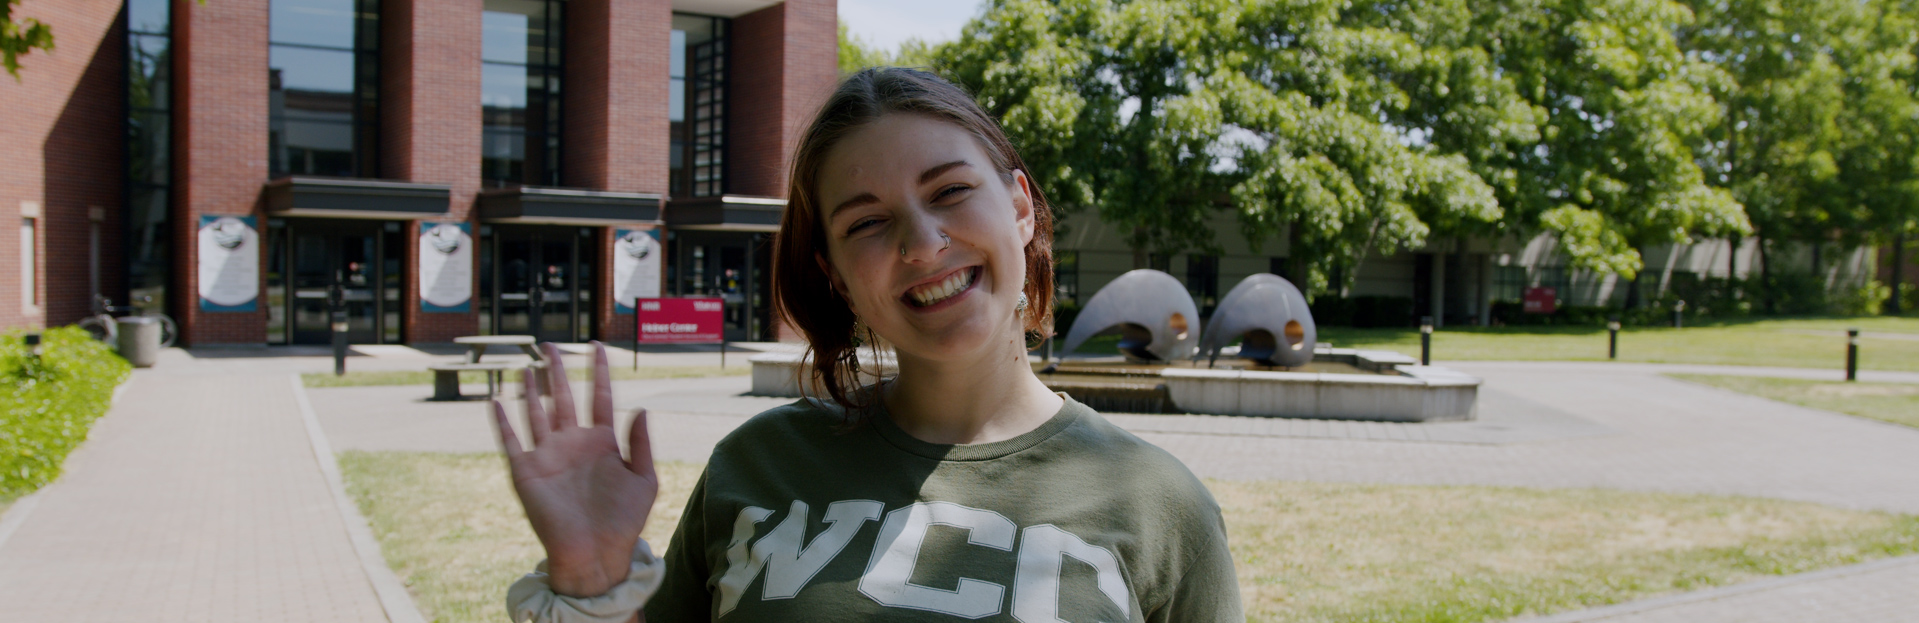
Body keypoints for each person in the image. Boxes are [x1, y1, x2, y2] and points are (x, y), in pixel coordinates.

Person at [495, 67, 1242, 622]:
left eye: (949, 191)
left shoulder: (1160, 507)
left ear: (1018, 208)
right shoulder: (756, 465)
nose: (922, 243)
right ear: (840, 277)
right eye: (865, 222)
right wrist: (593, 580)